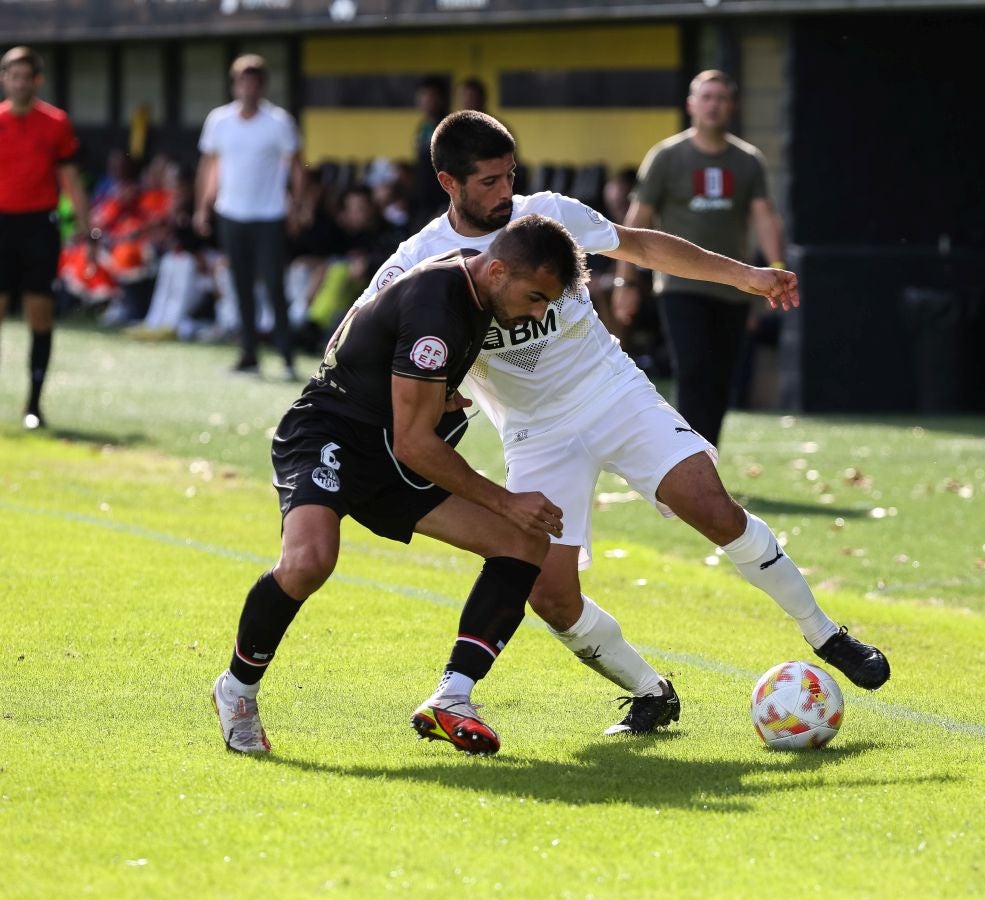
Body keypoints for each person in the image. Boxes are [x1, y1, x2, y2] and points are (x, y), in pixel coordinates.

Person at [356, 111, 890, 738]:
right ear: (448, 182)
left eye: (510, 177)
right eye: (489, 182)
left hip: (613, 392)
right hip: (533, 429)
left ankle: (825, 634)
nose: (505, 193)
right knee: (550, 595)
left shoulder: (548, 215)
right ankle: (650, 691)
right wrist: (437, 391)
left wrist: (745, 275)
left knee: (711, 506)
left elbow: (640, 243)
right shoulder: (416, 263)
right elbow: (365, 340)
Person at [211, 214, 583, 757]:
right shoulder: (439, 304)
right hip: (330, 433)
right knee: (310, 560)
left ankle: (453, 698)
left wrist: (442, 402)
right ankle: (237, 690)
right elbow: (415, 442)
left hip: (390, 450)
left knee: (523, 542)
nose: (537, 313)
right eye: (534, 297)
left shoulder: (478, 293)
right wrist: (506, 499)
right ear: (498, 269)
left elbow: (408, 414)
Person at [613, 69, 787, 448]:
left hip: (734, 287)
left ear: (732, 106)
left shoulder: (748, 161)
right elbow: (636, 221)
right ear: (692, 104)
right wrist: (626, 282)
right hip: (679, 286)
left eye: (721, 98)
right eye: (706, 97)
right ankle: (685, 462)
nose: (714, 105)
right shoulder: (667, 157)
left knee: (722, 378)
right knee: (693, 372)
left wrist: (775, 270)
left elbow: (764, 216)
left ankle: (707, 459)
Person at [194, 53, 303, 379]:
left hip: (268, 215)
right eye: (243, 82)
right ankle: (249, 355)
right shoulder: (219, 121)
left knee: (273, 286)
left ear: (262, 86)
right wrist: (203, 207)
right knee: (239, 287)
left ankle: (285, 357)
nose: (248, 88)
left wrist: (296, 206)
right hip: (231, 214)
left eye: (254, 82)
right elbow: (210, 167)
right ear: (235, 85)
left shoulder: (279, 121)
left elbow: (297, 167)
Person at [0, 46, 92, 430]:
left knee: (40, 315)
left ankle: (34, 404)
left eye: (27, 76)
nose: (20, 83)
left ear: (37, 80)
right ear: (5, 78)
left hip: (40, 225)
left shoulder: (55, 123)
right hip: (1, 225)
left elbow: (70, 178)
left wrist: (85, 225)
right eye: (13, 76)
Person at [411, 76, 450, 230]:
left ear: (441, 98)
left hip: (440, 200)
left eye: (430, 95)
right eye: (422, 95)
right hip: (421, 198)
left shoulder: (448, 126)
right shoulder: (423, 127)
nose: (425, 100)